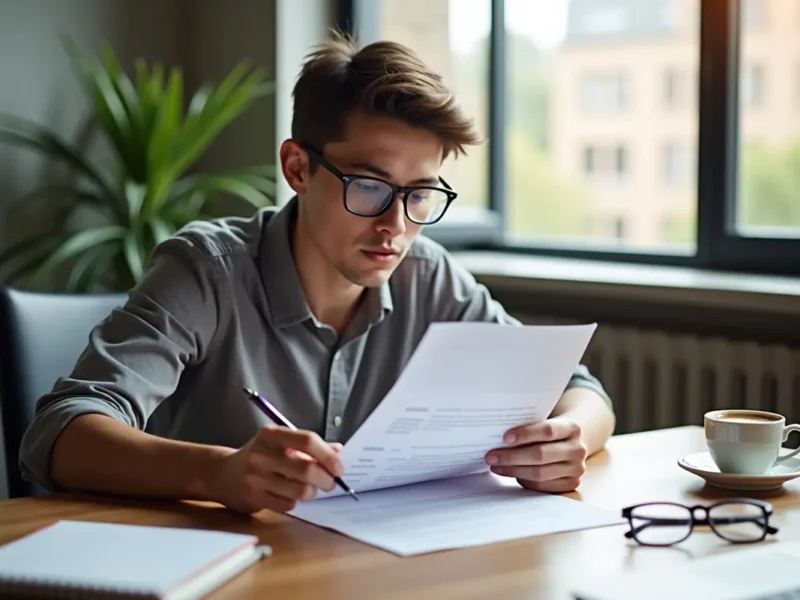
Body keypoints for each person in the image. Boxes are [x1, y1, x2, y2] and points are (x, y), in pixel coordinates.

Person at [19, 34, 615, 515]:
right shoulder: (206, 270)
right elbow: (60, 433)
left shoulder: (429, 277)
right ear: (297, 167)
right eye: (370, 186)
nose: (395, 226)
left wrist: (569, 438)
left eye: (420, 194)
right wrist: (219, 471)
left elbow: (583, 391)